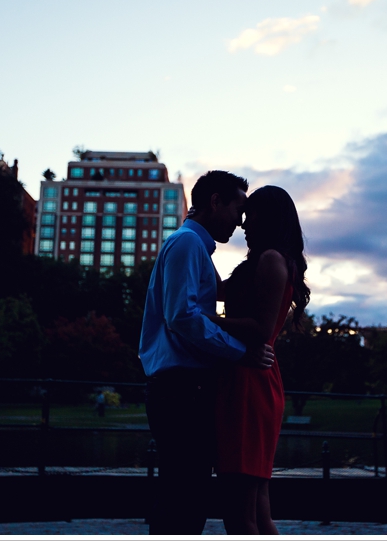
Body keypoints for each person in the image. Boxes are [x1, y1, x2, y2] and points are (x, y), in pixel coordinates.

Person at [138, 170, 275, 535]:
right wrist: (240, 353)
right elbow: (183, 316)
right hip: (181, 388)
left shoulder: (194, 246)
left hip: (184, 388)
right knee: (183, 497)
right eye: (238, 209)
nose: (241, 220)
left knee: (185, 494)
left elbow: (216, 297)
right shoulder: (187, 245)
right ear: (215, 202)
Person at [207, 185, 310, 535]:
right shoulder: (265, 261)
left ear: (268, 219)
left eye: (250, 218)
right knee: (254, 508)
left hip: (251, 381)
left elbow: (260, 327)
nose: (244, 226)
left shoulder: (271, 261)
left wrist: (207, 323)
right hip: (248, 376)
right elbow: (223, 292)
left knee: (240, 513)